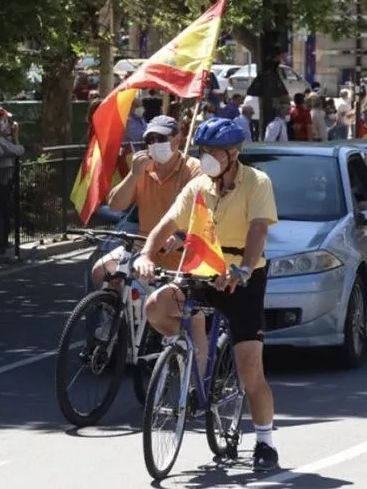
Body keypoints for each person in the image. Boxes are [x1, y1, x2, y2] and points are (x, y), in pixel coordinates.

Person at [134, 117, 280, 472]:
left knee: (250, 370)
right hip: (201, 273)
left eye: (215, 151)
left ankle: (265, 441)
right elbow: (165, 226)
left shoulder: (257, 183)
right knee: (156, 306)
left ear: (234, 153)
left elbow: (258, 231)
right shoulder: (198, 186)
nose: (208, 157)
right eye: (204, 151)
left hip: (242, 278)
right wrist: (145, 256)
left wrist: (243, 269)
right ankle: (186, 356)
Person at [90, 116, 201, 289]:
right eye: (150, 139)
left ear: (177, 138)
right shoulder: (142, 168)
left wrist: (182, 237)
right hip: (143, 246)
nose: (155, 143)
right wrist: (134, 174)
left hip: (181, 252)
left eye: (161, 138)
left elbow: (206, 212)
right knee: (100, 270)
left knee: (159, 303)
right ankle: (114, 312)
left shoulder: (194, 169)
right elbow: (115, 205)